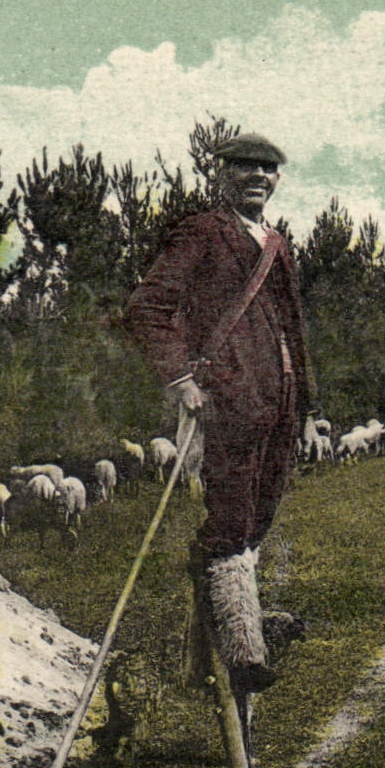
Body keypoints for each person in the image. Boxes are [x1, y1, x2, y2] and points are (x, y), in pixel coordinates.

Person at [119, 130, 317, 696]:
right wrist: (180, 379)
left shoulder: (277, 244)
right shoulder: (203, 232)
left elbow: (294, 328)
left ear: (277, 180)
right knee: (229, 524)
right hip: (229, 402)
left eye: (267, 169)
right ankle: (243, 653)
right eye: (244, 168)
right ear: (221, 175)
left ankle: (210, 654)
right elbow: (147, 307)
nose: (257, 177)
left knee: (258, 520)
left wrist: (309, 407)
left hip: (279, 406)